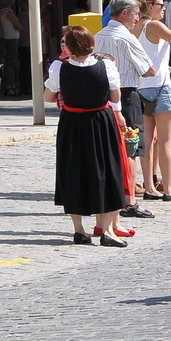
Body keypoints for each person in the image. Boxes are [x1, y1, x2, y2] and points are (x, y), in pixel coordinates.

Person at [45, 24, 127, 245]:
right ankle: (107, 230)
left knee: (73, 171)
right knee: (108, 170)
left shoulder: (59, 67)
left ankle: (79, 229)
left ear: (69, 47)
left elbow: (48, 97)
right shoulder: (106, 66)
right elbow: (116, 97)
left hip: (72, 122)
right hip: (101, 121)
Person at [93, 0, 157, 218]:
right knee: (130, 147)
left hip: (101, 97)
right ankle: (129, 201)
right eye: (136, 13)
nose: (138, 18)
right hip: (126, 94)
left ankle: (110, 197)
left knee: (109, 148)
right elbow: (149, 69)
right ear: (124, 14)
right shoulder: (126, 38)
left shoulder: (98, 36)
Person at [136, 0, 171, 201]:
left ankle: (149, 185)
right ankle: (167, 187)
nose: (164, 8)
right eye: (160, 5)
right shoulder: (154, 25)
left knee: (148, 141)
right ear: (149, 7)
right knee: (165, 141)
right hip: (160, 86)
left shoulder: (136, 26)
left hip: (142, 87)